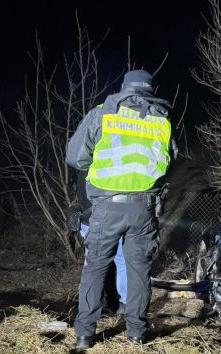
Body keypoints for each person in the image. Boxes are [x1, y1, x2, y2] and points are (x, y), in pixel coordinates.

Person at [66, 69, 176, 350]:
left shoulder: (102, 113)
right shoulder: (161, 120)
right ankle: (136, 334)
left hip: (107, 207)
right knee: (139, 271)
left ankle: (84, 337)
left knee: (95, 267)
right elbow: (169, 160)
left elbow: (76, 158)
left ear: (124, 88)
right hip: (144, 209)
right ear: (150, 90)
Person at [67, 169, 127, 314]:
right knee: (122, 261)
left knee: (93, 264)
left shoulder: (83, 159)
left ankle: (89, 308)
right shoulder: (114, 156)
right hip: (113, 215)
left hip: (88, 217)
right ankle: (126, 305)